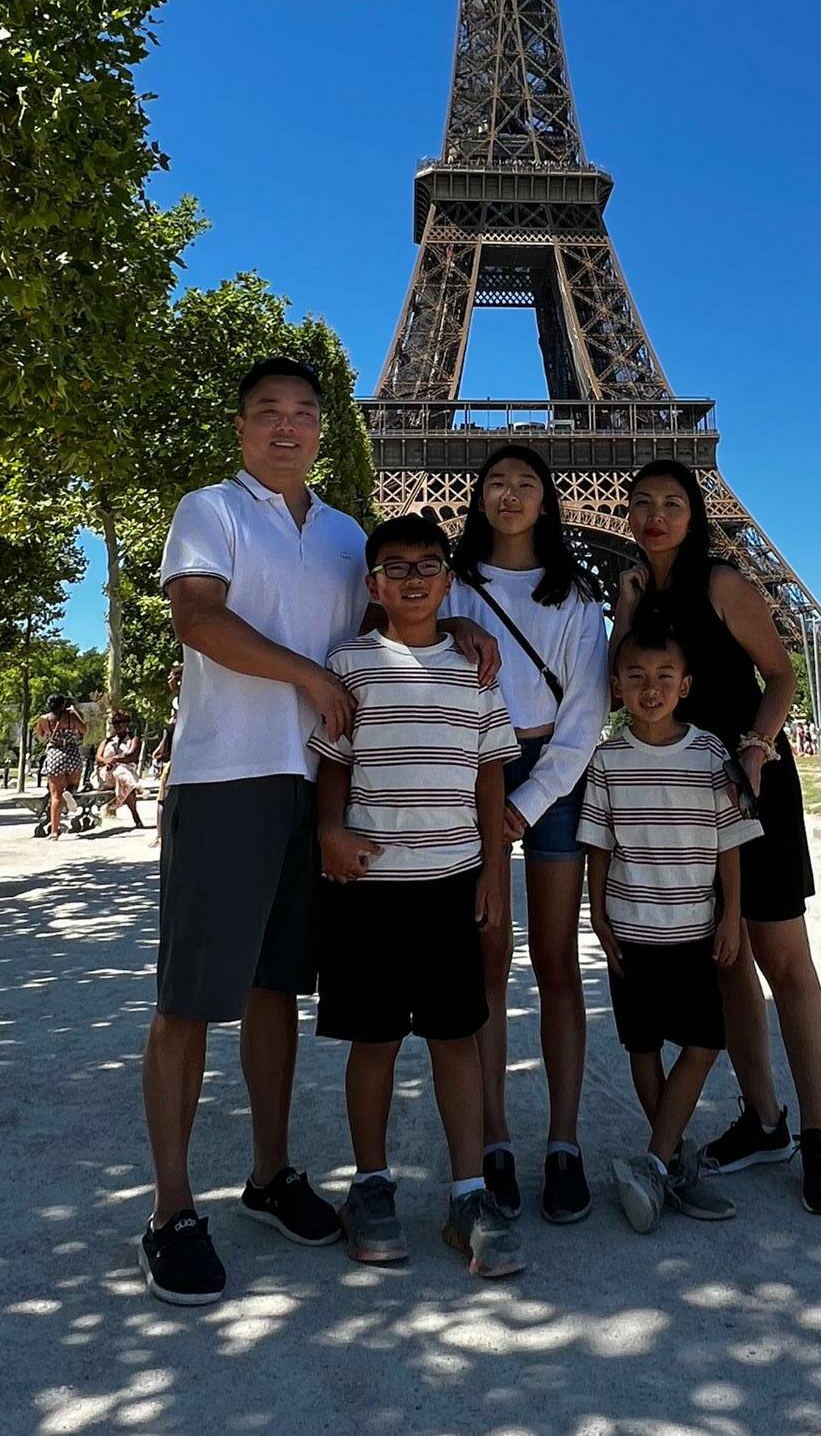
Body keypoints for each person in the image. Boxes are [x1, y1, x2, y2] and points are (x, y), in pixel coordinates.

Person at [141, 357, 498, 1308]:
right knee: (188, 997)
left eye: (303, 412)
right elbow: (197, 617)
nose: (287, 426)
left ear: (322, 429)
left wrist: (460, 628)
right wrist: (309, 676)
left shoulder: (346, 534)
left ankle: (269, 1174)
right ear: (241, 427)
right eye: (268, 412)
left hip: (320, 787)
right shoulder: (209, 509)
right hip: (227, 776)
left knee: (276, 988)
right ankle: (171, 1208)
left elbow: (399, 609)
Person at [614, 460, 821, 1217]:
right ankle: (765, 1119)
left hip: (749, 785)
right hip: (683, 805)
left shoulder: (722, 582)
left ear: (694, 514)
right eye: (642, 502)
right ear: (627, 514)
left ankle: (819, 1133)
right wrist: (625, 611)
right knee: (727, 961)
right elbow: (617, 686)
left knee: (784, 958)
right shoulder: (637, 593)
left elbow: (780, 674)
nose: (656, 514)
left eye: (672, 502)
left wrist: (754, 746)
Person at [313, 513, 526, 1278]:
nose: (412, 577)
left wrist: (495, 871)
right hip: (370, 883)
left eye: (427, 564)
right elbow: (335, 758)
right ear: (373, 584)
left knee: (455, 1037)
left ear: (448, 578)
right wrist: (329, 830)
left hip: (451, 880)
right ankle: (371, 1184)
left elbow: (490, 772)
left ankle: (468, 1191)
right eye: (395, 567)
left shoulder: (475, 668)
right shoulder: (350, 663)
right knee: (373, 1040)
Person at [446, 444, 609, 1224]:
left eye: (525, 483)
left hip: (553, 768)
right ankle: (494, 1137)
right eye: (496, 483)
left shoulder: (576, 595)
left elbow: (585, 714)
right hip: (473, 765)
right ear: (478, 496)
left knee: (555, 961)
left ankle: (564, 1141)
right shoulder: (451, 586)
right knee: (486, 957)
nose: (509, 495)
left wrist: (530, 799)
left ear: (547, 499)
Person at [580, 622, 758, 1233]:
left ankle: (655, 1162)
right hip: (631, 930)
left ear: (685, 686)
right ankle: (674, 1164)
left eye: (663, 677)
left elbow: (730, 841)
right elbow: (598, 843)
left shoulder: (711, 755)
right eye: (636, 676)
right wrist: (597, 912)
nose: (650, 688)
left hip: (693, 929)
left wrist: (732, 914)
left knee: (706, 1041)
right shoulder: (606, 759)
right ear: (617, 686)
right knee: (643, 1045)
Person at [34, 694, 87, 839]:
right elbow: (83, 729)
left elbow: (40, 735)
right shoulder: (70, 716)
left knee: (55, 796)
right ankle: (69, 792)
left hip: (54, 755)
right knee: (74, 783)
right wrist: (75, 713)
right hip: (71, 753)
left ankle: (54, 831)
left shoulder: (43, 719)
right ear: (63, 704)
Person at [151, 664, 183, 848]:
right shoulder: (177, 702)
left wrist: (162, 749)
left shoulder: (183, 702)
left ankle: (161, 835)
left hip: (178, 756)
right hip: (176, 753)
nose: (168, 680)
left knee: (163, 798)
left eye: (171, 677)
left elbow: (170, 730)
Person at [98, 712, 145, 828]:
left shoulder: (133, 740)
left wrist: (116, 759)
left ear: (127, 723)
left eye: (121, 722)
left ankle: (125, 802)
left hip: (126, 771)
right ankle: (137, 789)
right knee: (122, 775)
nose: (118, 725)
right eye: (115, 723)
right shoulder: (107, 741)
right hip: (108, 773)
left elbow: (131, 756)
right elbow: (98, 757)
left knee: (122, 774)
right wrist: (107, 761)